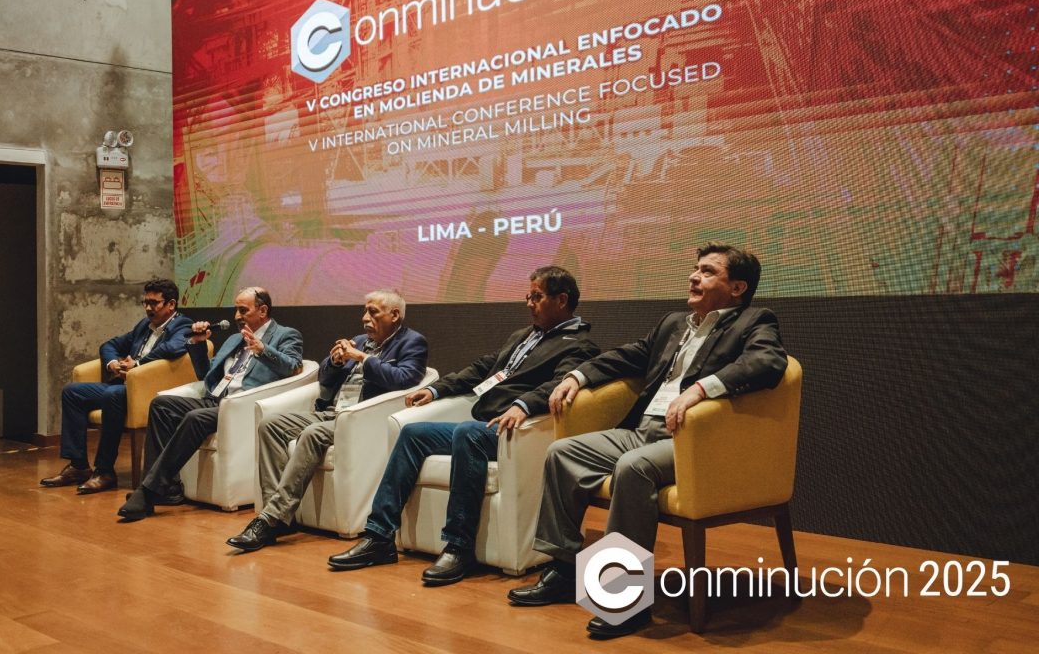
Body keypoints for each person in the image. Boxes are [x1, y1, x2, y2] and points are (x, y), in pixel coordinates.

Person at [507, 243, 787, 639]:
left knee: (633, 468)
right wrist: (577, 376)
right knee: (563, 453)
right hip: (642, 429)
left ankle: (625, 600)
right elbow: (629, 356)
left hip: (692, 439)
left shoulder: (755, 321)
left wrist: (701, 390)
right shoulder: (674, 323)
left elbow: (768, 363)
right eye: (696, 269)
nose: (693, 277)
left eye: (707, 271)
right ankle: (564, 569)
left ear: (737, 287)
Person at [327, 266, 599, 586]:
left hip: (516, 430)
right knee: (413, 433)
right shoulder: (524, 336)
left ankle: (459, 546)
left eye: (536, 297)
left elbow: (558, 385)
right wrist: (435, 390)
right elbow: (483, 368)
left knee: (467, 433)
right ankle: (379, 536)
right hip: (485, 423)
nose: (528, 303)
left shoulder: (579, 345)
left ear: (562, 300)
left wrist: (523, 405)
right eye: (528, 296)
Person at [227, 289, 429, 552]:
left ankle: (270, 519)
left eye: (373, 312)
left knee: (313, 433)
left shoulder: (413, 342)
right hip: (333, 411)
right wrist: (334, 361)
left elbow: (405, 379)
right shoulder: (360, 340)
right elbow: (324, 378)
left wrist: (363, 359)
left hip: (361, 418)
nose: (365, 318)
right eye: (364, 311)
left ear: (394, 315)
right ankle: (276, 515)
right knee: (271, 425)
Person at [117, 286, 303, 521]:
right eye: (236, 310)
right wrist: (197, 343)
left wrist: (262, 349)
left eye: (243, 310)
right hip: (216, 399)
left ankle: (148, 491)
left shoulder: (286, 335)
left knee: (195, 418)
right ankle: (168, 489)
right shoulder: (235, 339)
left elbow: (293, 366)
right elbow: (206, 376)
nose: (236, 316)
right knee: (161, 404)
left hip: (242, 405)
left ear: (263, 310)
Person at [41, 278, 192, 494]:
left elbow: (173, 348)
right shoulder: (144, 326)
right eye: (146, 302)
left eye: (154, 303)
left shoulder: (183, 325)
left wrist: (137, 364)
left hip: (149, 390)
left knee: (113, 394)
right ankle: (79, 466)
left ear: (171, 304)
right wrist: (113, 364)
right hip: (124, 385)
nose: (148, 308)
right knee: (72, 392)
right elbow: (109, 345)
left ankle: (104, 471)